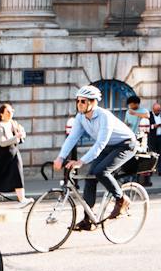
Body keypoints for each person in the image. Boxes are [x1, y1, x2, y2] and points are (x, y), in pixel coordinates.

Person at [56, 85, 139, 228]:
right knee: (90, 177)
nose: (79, 104)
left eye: (83, 101)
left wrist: (81, 161)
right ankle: (88, 220)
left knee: (101, 171)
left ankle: (121, 199)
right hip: (109, 146)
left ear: (93, 102)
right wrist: (60, 157)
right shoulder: (81, 117)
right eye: (78, 101)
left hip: (126, 144)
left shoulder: (104, 116)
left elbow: (100, 143)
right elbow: (72, 138)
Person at [0, 102, 28, 204]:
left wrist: (21, 135)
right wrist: (17, 137)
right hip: (2, 155)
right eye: (7, 112)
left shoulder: (13, 123)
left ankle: (22, 198)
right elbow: (1, 142)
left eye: (11, 111)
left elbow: (22, 133)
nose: (10, 113)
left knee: (18, 175)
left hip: (13, 153)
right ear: (1, 114)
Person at [143, 101, 161, 187]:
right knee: (151, 155)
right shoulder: (149, 115)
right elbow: (146, 126)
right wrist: (154, 126)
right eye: (156, 110)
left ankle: (160, 171)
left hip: (160, 137)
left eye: (159, 110)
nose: (158, 112)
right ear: (153, 109)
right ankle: (150, 171)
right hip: (152, 138)